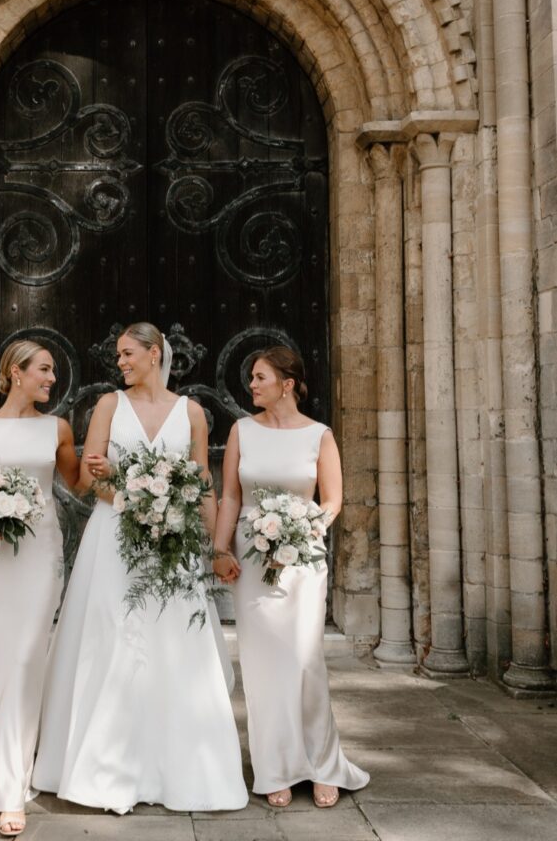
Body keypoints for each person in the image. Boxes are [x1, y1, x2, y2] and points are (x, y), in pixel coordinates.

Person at [32, 322, 248, 813]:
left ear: (155, 354)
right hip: (114, 542)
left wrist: (216, 548)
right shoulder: (110, 404)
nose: (121, 363)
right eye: (119, 356)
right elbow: (88, 479)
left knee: (175, 647)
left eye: (129, 354)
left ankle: (182, 766)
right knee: (113, 642)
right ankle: (107, 765)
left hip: (174, 546)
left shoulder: (192, 413)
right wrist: (134, 498)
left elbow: (203, 487)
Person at [212, 345, 369, 809]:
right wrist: (220, 550)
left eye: (260, 377)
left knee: (304, 660)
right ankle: (274, 766)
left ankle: (322, 764)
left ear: (287, 383)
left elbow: (332, 500)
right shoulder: (242, 430)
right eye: (251, 379)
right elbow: (232, 498)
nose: (252, 385)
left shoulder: (319, 435)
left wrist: (300, 533)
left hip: (302, 559)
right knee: (263, 667)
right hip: (252, 559)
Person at [0, 340, 79, 837]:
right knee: (3, 666)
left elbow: (79, 482)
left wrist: (121, 469)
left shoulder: (58, 428)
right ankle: (17, 747)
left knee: (29, 657)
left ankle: (9, 791)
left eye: (52, 371)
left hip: (40, 555)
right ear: (16, 371)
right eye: (45, 370)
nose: (52, 379)